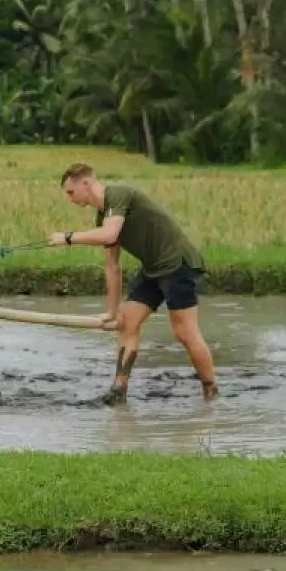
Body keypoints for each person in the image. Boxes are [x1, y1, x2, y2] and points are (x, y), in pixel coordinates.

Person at [48, 162, 217, 406]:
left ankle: (211, 392)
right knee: (126, 323)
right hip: (153, 269)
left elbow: (109, 235)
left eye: (70, 192)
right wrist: (112, 311)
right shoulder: (102, 216)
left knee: (184, 332)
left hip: (177, 264)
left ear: (86, 183)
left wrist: (67, 237)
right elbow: (112, 267)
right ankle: (119, 390)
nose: (69, 198)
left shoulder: (118, 194)